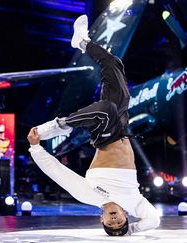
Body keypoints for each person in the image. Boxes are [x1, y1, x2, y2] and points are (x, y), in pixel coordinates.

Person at [27, 15, 160, 236]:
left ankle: (58, 126)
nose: (115, 221)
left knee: (105, 109)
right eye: (121, 224)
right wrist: (130, 232)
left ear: (101, 219)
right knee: (113, 64)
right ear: (127, 216)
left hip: (106, 136)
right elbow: (153, 221)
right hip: (122, 126)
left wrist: (35, 147)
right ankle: (81, 41)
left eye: (110, 224)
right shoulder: (135, 203)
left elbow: (57, 172)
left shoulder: (88, 196)